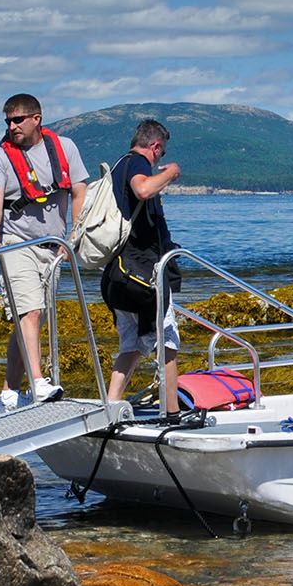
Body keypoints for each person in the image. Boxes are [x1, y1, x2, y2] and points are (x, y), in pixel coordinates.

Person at [0, 94, 87, 411]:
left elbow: (80, 190)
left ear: (36, 119)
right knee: (29, 312)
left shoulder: (64, 147)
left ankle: (9, 392)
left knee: (30, 321)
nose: (11, 127)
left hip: (53, 247)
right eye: (8, 122)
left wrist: (75, 233)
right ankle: (39, 383)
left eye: (17, 120)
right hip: (16, 244)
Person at [104, 119, 182, 403]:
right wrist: (171, 173)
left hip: (119, 272)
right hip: (143, 273)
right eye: (162, 152)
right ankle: (172, 412)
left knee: (131, 345)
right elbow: (143, 190)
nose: (161, 158)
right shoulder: (137, 163)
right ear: (156, 146)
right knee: (168, 341)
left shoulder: (119, 165)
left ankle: (111, 405)